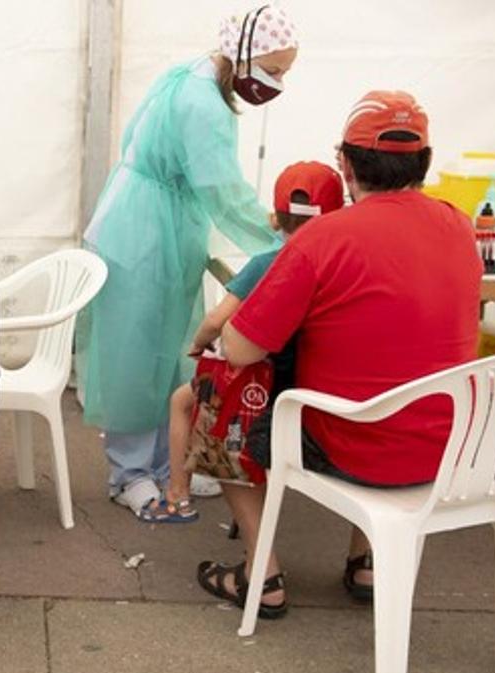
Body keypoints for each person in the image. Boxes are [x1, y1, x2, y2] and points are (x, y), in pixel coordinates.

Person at [198, 90, 483, 618]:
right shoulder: (462, 228)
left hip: (353, 448)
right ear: (425, 161)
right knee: (392, 379)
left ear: (346, 165)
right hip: (452, 449)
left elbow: (239, 346)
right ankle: (366, 561)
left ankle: (262, 575)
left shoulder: (323, 238)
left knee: (216, 399)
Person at [78, 5, 298, 520]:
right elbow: (220, 189)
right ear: (243, 55)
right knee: (135, 354)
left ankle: (165, 460)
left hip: (158, 221)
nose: (279, 81)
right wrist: (279, 240)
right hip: (142, 232)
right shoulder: (202, 103)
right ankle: (130, 473)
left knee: (167, 351)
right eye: (276, 68)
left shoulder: (194, 76)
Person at [143, 161, 344, 523]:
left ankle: (177, 494)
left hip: (259, 384)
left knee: (181, 402)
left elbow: (216, 320)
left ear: (275, 218)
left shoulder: (269, 262)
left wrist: (199, 345)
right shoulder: (342, 263)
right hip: (316, 387)